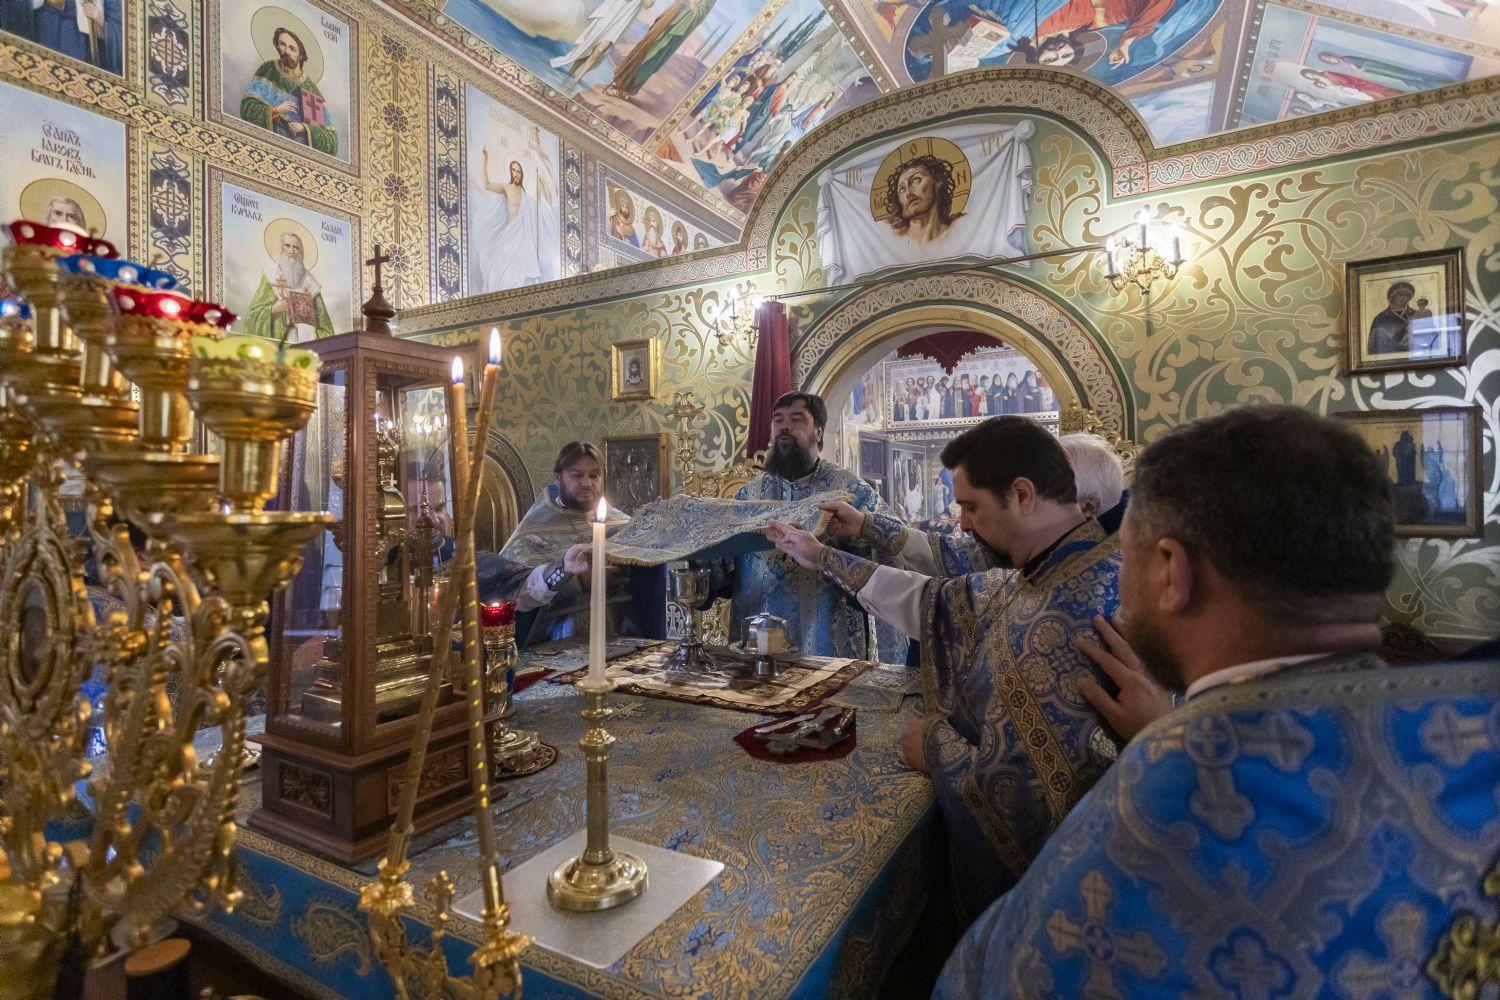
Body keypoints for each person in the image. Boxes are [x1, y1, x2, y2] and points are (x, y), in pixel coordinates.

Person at [934, 405, 1500, 999]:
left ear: (1172, 571)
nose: (1116, 582)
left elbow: (996, 978)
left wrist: (1178, 740)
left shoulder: (1158, 806)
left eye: (1124, 557)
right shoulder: (1468, 736)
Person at [767, 417, 1123, 920]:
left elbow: (1035, 803)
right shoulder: (1047, 570)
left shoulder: (1068, 610)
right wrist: (826, 555)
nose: (964, 524)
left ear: (1024, 495)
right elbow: (935, 600)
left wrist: (935, 746)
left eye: (971, 507)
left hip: (1049, 914)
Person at [729, 392, 889, 659]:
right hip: (760, 629)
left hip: (828, 627)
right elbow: (726, 559)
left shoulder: (849, 489)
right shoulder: (749, 495)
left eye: (796, 419)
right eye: (778, 419)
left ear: (818, 431)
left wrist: (858, 541)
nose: (784, 426)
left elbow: (889, 541)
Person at [478, 441, 634, 644]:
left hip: (623, 635)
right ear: (558, 477)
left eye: (594, 475)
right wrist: (577, 582)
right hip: (560, 642)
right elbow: (515, 593)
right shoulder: (534, 529)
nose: (587, 483)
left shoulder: (624, 524)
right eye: (577, 475)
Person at [240, 25, 338, 155]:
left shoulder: (310, 89)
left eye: (292, 48)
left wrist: (304, 127)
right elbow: (247, 108)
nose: (286, 51)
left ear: (301, 55)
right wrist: (275, 110)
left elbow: (330, 141)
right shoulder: (268, 70)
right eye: (282, 44)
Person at [475, 148, 556, 291]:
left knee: (523, 276)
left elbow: (539, 206)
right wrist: (485, 160)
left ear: (522, 174)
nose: (516, 174)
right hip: (510, 236)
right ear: (510, 171)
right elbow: (487, 184)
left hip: (524, 239)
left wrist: (542, 184)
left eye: (519, 171)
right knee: (503, 273)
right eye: (514, 170)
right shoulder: (506, 188)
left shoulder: (527, 197)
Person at [244, 229, 335, 342]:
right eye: (287, 246)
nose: (292, 251)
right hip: (279, 345)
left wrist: (308, 331)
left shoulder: (311, 283)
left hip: (305, 345)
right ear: (281, 249)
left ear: (301, 252)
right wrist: (272, 309)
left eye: (296, 247)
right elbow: (251, 317)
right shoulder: (271, 275)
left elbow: (326, 330)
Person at [550, 0, 652, 82]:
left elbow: (648, 5)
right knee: (588, 46)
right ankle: (570, 73)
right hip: (607, 15)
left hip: (621, 22)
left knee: (599, 51)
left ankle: (577, 79)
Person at [883, 154, 963, 243]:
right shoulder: (890, 240)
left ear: (937, 181)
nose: (908, 193)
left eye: (916, 180)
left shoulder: (960, 232)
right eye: (902, 189)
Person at [1367, 280, 1418, 355]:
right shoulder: (1381, 317)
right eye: (1400, 295)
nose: (1403, 298)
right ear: (1392, 297)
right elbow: (1374, 342)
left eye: (1407, 295)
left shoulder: (1415, 314)